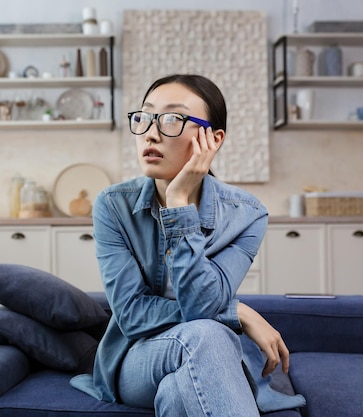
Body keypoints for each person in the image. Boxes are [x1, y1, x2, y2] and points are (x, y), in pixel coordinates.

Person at [71, 74, 304, 416]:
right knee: (208, 334)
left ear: (213, 138)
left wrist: (179, 203)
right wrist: (235, 312)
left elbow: (201, 307)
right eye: (146, 117)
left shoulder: (248, 215)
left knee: (178, 393)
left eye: (171, 119)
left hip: (204, 357)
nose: (151, 132)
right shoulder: (112, 205)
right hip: (137, 358)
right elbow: (133, 315)